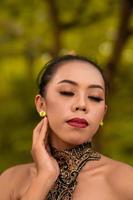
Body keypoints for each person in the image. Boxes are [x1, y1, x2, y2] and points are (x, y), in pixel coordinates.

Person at [0, 54, 133, 200]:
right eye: (67, 92)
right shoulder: (11, 180)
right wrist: (43, 178)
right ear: (41, 104)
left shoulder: (125, 181)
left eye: (95, 97)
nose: (82, 105)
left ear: (103, 113)